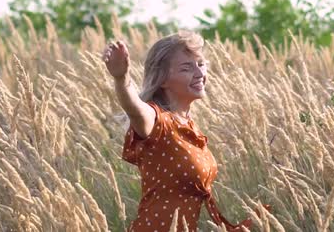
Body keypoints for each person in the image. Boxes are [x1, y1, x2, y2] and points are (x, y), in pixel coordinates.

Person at [102, 30, 269, 231]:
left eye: (201, 64)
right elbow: (134, 108)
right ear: (163, 79)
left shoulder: (188, 125)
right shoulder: (158, 121)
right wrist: (121, 79)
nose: (199, 73)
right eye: (186, 68)